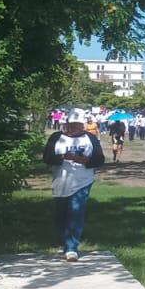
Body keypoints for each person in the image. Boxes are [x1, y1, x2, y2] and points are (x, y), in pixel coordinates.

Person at [43, 111, 105, 261]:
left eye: (78, 124)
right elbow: (47, 157)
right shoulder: (56, 137)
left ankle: (72, 247)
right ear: (67, 124)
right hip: (61, 181)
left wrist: (84, 161)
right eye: (72, 124)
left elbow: (99, 159)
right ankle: (62, 242)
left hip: (82, 181)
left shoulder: (90, 138)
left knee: (76, 211)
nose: (75, 127)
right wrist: (63, 157)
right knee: (61, 214)